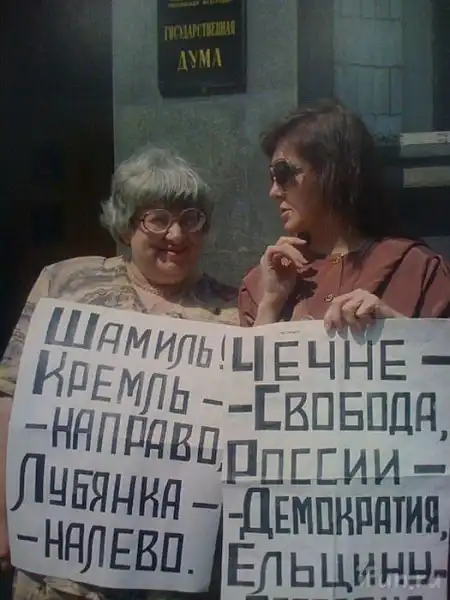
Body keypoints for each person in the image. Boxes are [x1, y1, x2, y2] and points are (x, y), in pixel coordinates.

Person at [0, 145, 238, 600]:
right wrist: (3, 518)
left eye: (191, 218)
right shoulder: (66, 283)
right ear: (127, 224)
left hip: (172, 570)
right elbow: (11, 398)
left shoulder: (231, 312)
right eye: (157, 218)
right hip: (64, 565)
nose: (176, 233)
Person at [239, 99, 450, 328]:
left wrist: (394, 327)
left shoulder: (418, 270)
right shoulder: (263, 282)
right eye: (272, 177)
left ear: (332, 171)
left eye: (283, 174)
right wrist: (270, 305)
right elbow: (243, 352)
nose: (274, 192)